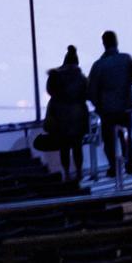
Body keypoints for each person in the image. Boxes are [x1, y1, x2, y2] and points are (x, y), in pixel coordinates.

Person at [86, 31, 132, 179]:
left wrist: (99, 104)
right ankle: (130, 166)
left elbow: (91, 90)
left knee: (109, 142)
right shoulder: (126, 59)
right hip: (125, 107)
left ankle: (114, 167)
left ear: (103, 44)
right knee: (127, 137)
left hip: (107, 111)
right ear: (116, 42)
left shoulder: (98, 65)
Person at [43, 46, 91, 179]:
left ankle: (66, 173)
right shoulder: (81, 77)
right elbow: (88, 94)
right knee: (77, 147)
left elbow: (50, 91)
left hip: (60, 118)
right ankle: (79, 172)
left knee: (64, 147)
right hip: (78, 117)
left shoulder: (55, 75)